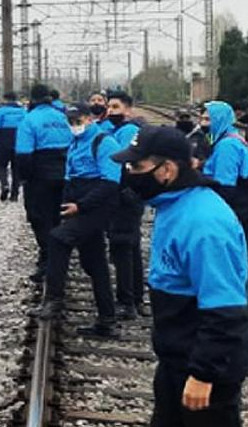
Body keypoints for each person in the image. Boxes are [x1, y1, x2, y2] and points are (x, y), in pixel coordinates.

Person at [110, 126, 248, 427]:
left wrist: (204, 374)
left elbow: (225, 310)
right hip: (177, 358)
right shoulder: (173, 205)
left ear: (166, 169)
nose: (130, 174)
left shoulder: (204, 222)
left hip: (206, 363)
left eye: (136, 167)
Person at [30, 104, 121, 338]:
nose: (74, 125)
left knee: (58, 239)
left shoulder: (104, 142)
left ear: (90, 118)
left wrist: (81, 206)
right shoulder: (75, 143)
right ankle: (107, 321)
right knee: (95, 264)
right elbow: (70, 175)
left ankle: (54, 299)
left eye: (78, 120)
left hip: (97, 205)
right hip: (78, 199)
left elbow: (111, 182)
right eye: (70, 121)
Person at [16, 84, 72, 283]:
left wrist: (25, 178)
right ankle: (57, 256)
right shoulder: (61, 117)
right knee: (57, 217)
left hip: (40, 176)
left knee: (39, 217)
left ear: (32, 99)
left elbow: (24, 155)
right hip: (64, 173)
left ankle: (49, 260)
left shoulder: (29, 120)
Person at [106, 91, 147, 319]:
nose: (111, 111)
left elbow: (120, 163)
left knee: (123, 246)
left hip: (125, 195)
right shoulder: (120, 130)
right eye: (110, 107)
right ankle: (136, 298)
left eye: (116, 107)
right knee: (129, 246)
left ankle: (127, 301)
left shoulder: (128, 131)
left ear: (128, 110)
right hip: (128, 194)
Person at [201, 101, 248, 252]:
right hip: (240, 210)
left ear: (220, 119)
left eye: (207, 119)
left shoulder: (227, 146)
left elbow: (225, 187)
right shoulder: (227, 138)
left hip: (237, 213)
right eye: (202, 118)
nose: (202, 123)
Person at [0, 92, 26, 201]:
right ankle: (14, 194)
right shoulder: (23, 111)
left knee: (1, 165)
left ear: (5, 99)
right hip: (19, 141)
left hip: (3, 140)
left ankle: (4, 184)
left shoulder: (0, 111)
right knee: (16, 168)